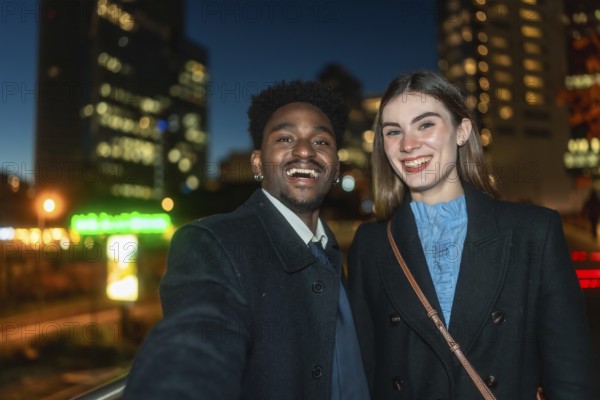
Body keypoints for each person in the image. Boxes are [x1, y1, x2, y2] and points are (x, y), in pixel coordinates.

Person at [347, 71, 598, 399]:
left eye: (425, 124)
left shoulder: (533, 232)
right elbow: (363, 371)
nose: (408, 144)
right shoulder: (371, 244)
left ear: (462, 131)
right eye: (393, 131)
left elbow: (571, 377)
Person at [123, 80, 370, 399]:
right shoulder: (211, 242)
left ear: (335, 167)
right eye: (285, 138)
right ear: (256, 163)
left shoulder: (332, 250)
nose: (305, 150)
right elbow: (194, 340)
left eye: (321, 141)